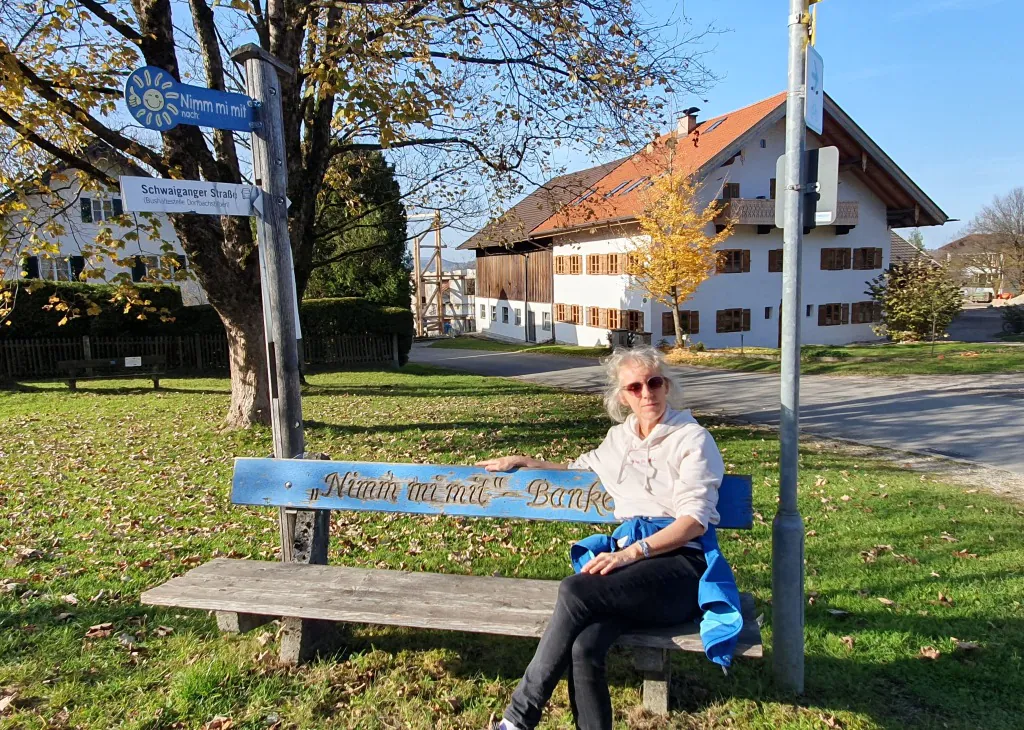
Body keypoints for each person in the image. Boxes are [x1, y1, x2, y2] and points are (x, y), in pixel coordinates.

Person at [476, 344, 727, 730]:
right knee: (584, 645)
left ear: (667, 385)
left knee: (576, 591)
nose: (647, 393)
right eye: (635, 387)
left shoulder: (691, 439)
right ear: (622, 396)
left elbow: (694, 522)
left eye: (655, 382)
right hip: (633, 575)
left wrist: (632, 553)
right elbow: (578, 469)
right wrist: (527, 462)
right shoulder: (619, 440)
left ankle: (517, 719)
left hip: (680, 571)